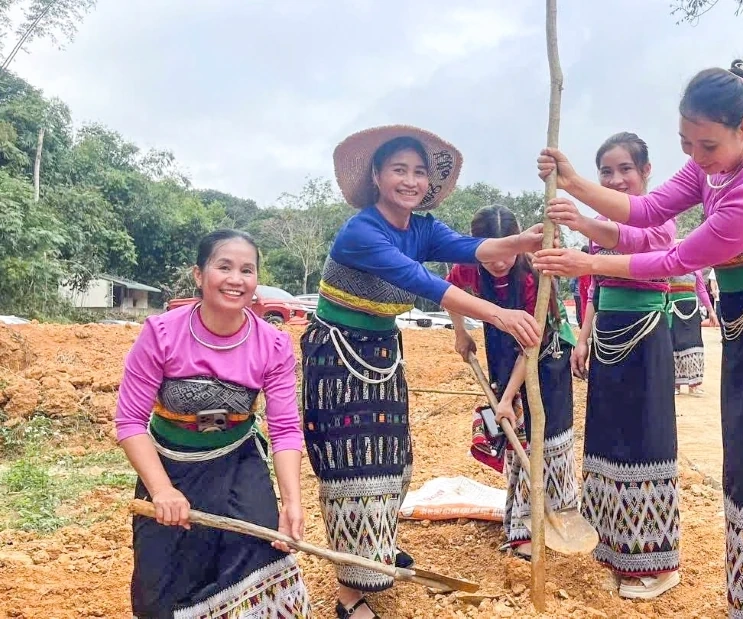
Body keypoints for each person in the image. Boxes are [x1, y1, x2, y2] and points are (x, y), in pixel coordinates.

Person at [534, 61, 743, 618]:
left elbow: (675, 258)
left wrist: (578, 260)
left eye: (706, 144)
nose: (695, 155)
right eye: (686, 142)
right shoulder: (713, 169)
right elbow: (646, 208)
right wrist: (571, 180)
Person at [302, 126, 544, 619]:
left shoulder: (423, 227)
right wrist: (497, 315)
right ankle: (351, 591)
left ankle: (378, 549)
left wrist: (528, 239)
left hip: (382, 352)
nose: (410, 181)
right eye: (399, 170)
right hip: (338, 359)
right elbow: (422, 281)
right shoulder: (362, 231)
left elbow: (472, 248)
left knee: (393, 459)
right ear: (376, 176)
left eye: (417, 172)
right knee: (354, 464)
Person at [116, 229, 311, 618]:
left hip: (237, 461)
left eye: (247, 270)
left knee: (259, 549)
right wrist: (162, 491)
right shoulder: (161, 334)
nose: (236, 279)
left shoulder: (272, 344)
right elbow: (130, 421)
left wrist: (291, 502)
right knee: (160, 585)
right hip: (171, 463)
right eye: (224, 266)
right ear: (199, 274)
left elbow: (285, 429)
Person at [555, 132, 682, 599]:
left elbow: (644, 255)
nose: (616, 178)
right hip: (607, 333)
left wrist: (584, 224)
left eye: (625, 169)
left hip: (645, 337)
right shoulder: (603, 227)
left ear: (646, 171)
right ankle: (616, 550)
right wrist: (582, 339)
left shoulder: (660, 219)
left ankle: (659, 563)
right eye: (606, 171)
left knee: (645, 441)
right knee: (609, 438)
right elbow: (594, 287)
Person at [446, 205, 578, 561]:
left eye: (507, 254)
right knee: (516, 438)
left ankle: (556, 516)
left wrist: (506, 399)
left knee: (546, 435)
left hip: (546, 357)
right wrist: (461, 334)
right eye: (492, 256)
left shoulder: (534, 276)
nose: (499, 263)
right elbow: (447, 291)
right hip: (501, 351)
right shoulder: (469, 266)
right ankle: (522, 528)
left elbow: (531, 346)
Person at [668, 255, 718, 397]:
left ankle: (694, 385)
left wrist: (711, 311)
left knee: (694, 343)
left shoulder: (696, 270)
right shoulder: (670, 267)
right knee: (675, 344)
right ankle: (676, 385)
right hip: (674, 310)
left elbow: (701, 290)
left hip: (692, 309)